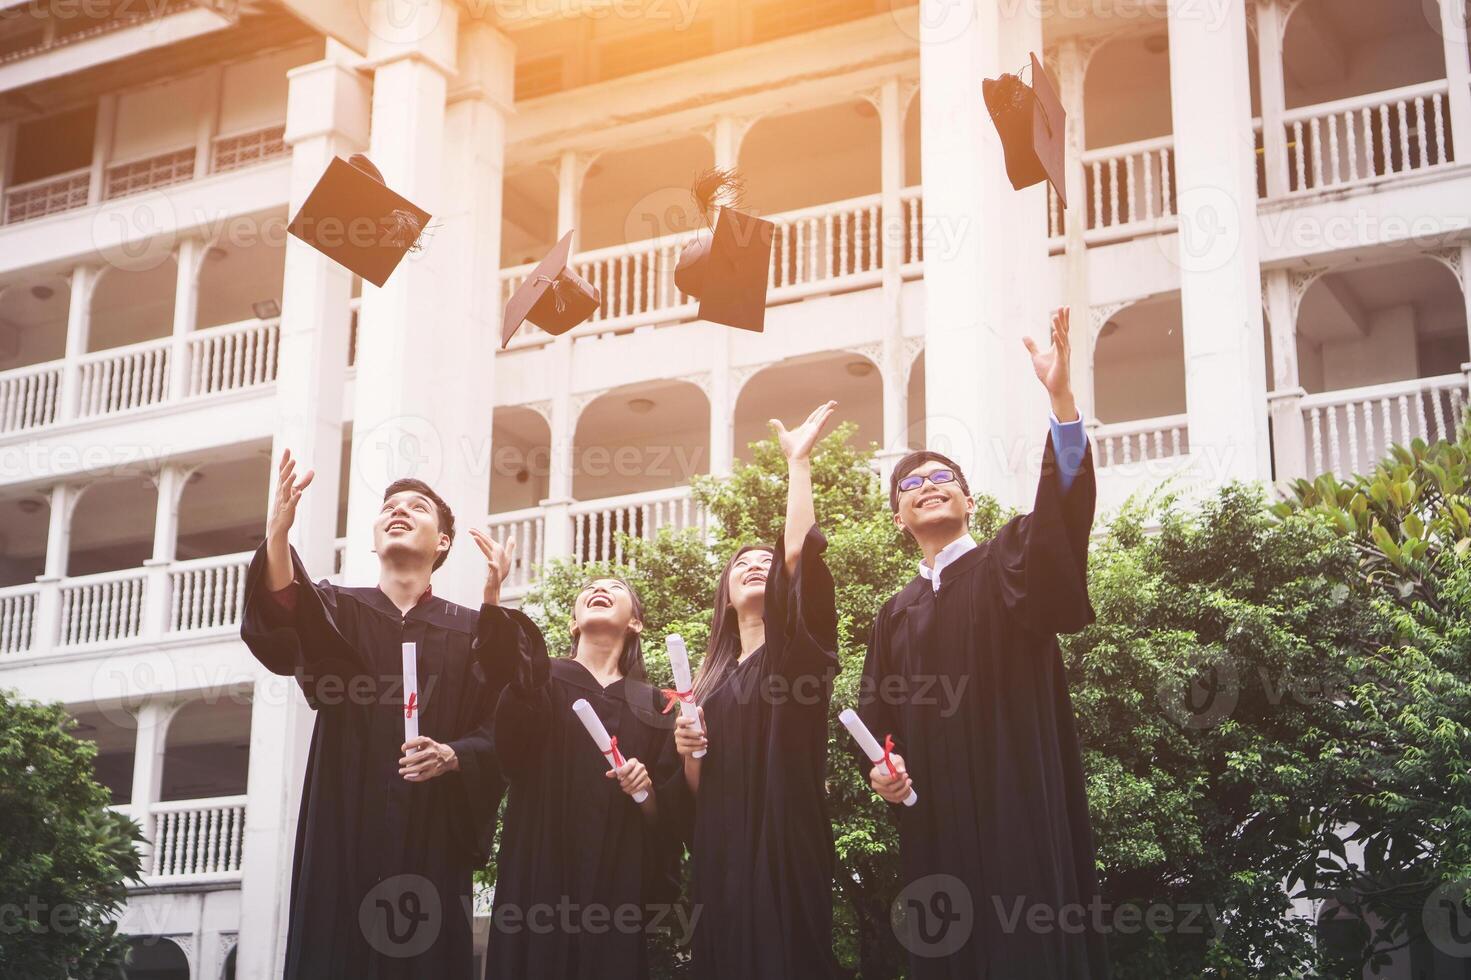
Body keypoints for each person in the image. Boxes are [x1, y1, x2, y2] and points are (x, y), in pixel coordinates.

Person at [857, 307, 1108, 978]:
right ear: (897, 517)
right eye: (910, 485)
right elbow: (878, 729)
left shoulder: (1009, 561)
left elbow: (1064, 508)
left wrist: (1060, 400)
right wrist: (883, 775)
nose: (928, 487)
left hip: (1015, 802)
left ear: (967, 501)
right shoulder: (893, 615)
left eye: (943, 479)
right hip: (934, 827)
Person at [241, 451, 516, 979]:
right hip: (345, 810)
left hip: (432, 828)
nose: (400, 511)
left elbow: (504, 724)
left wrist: (455, 755)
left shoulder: (469, 631)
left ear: (442, 544)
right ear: (373, 541)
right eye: (390, 506)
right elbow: (282, 611)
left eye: (417, 507)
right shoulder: (338, 609)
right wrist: (278, 533)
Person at [670, 400, 846, 980]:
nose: (754, 564)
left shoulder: (795, 652)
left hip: (786, 830)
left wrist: (799, 465)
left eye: (763, 560)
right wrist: (688, 750)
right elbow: (695, 788)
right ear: (723, 592)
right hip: (720, 847)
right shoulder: (707, 685)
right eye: (740, 562)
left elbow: (799, 557)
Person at [479, 575, 683, 980]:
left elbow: (668, 820)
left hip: (616, 878)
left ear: (636, 624)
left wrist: (645, 791)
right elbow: (508, 753)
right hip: (541, 867)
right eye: (588, 588)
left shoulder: (656, 705)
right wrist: (492, 601)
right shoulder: (539, 680)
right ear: (573, 623)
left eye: (615, 587)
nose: (598, 590)